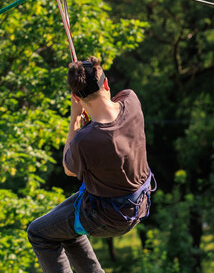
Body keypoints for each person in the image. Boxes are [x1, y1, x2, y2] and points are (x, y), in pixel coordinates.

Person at [27, 56, 154, 273]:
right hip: (139, 203)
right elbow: (109, 110)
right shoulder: (131, 101)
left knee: (39, 232)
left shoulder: (85, 140)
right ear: (105, 84)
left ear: (75, 96)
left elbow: (69, 168)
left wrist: (75, 119)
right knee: (64, 231)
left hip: (108, 215)